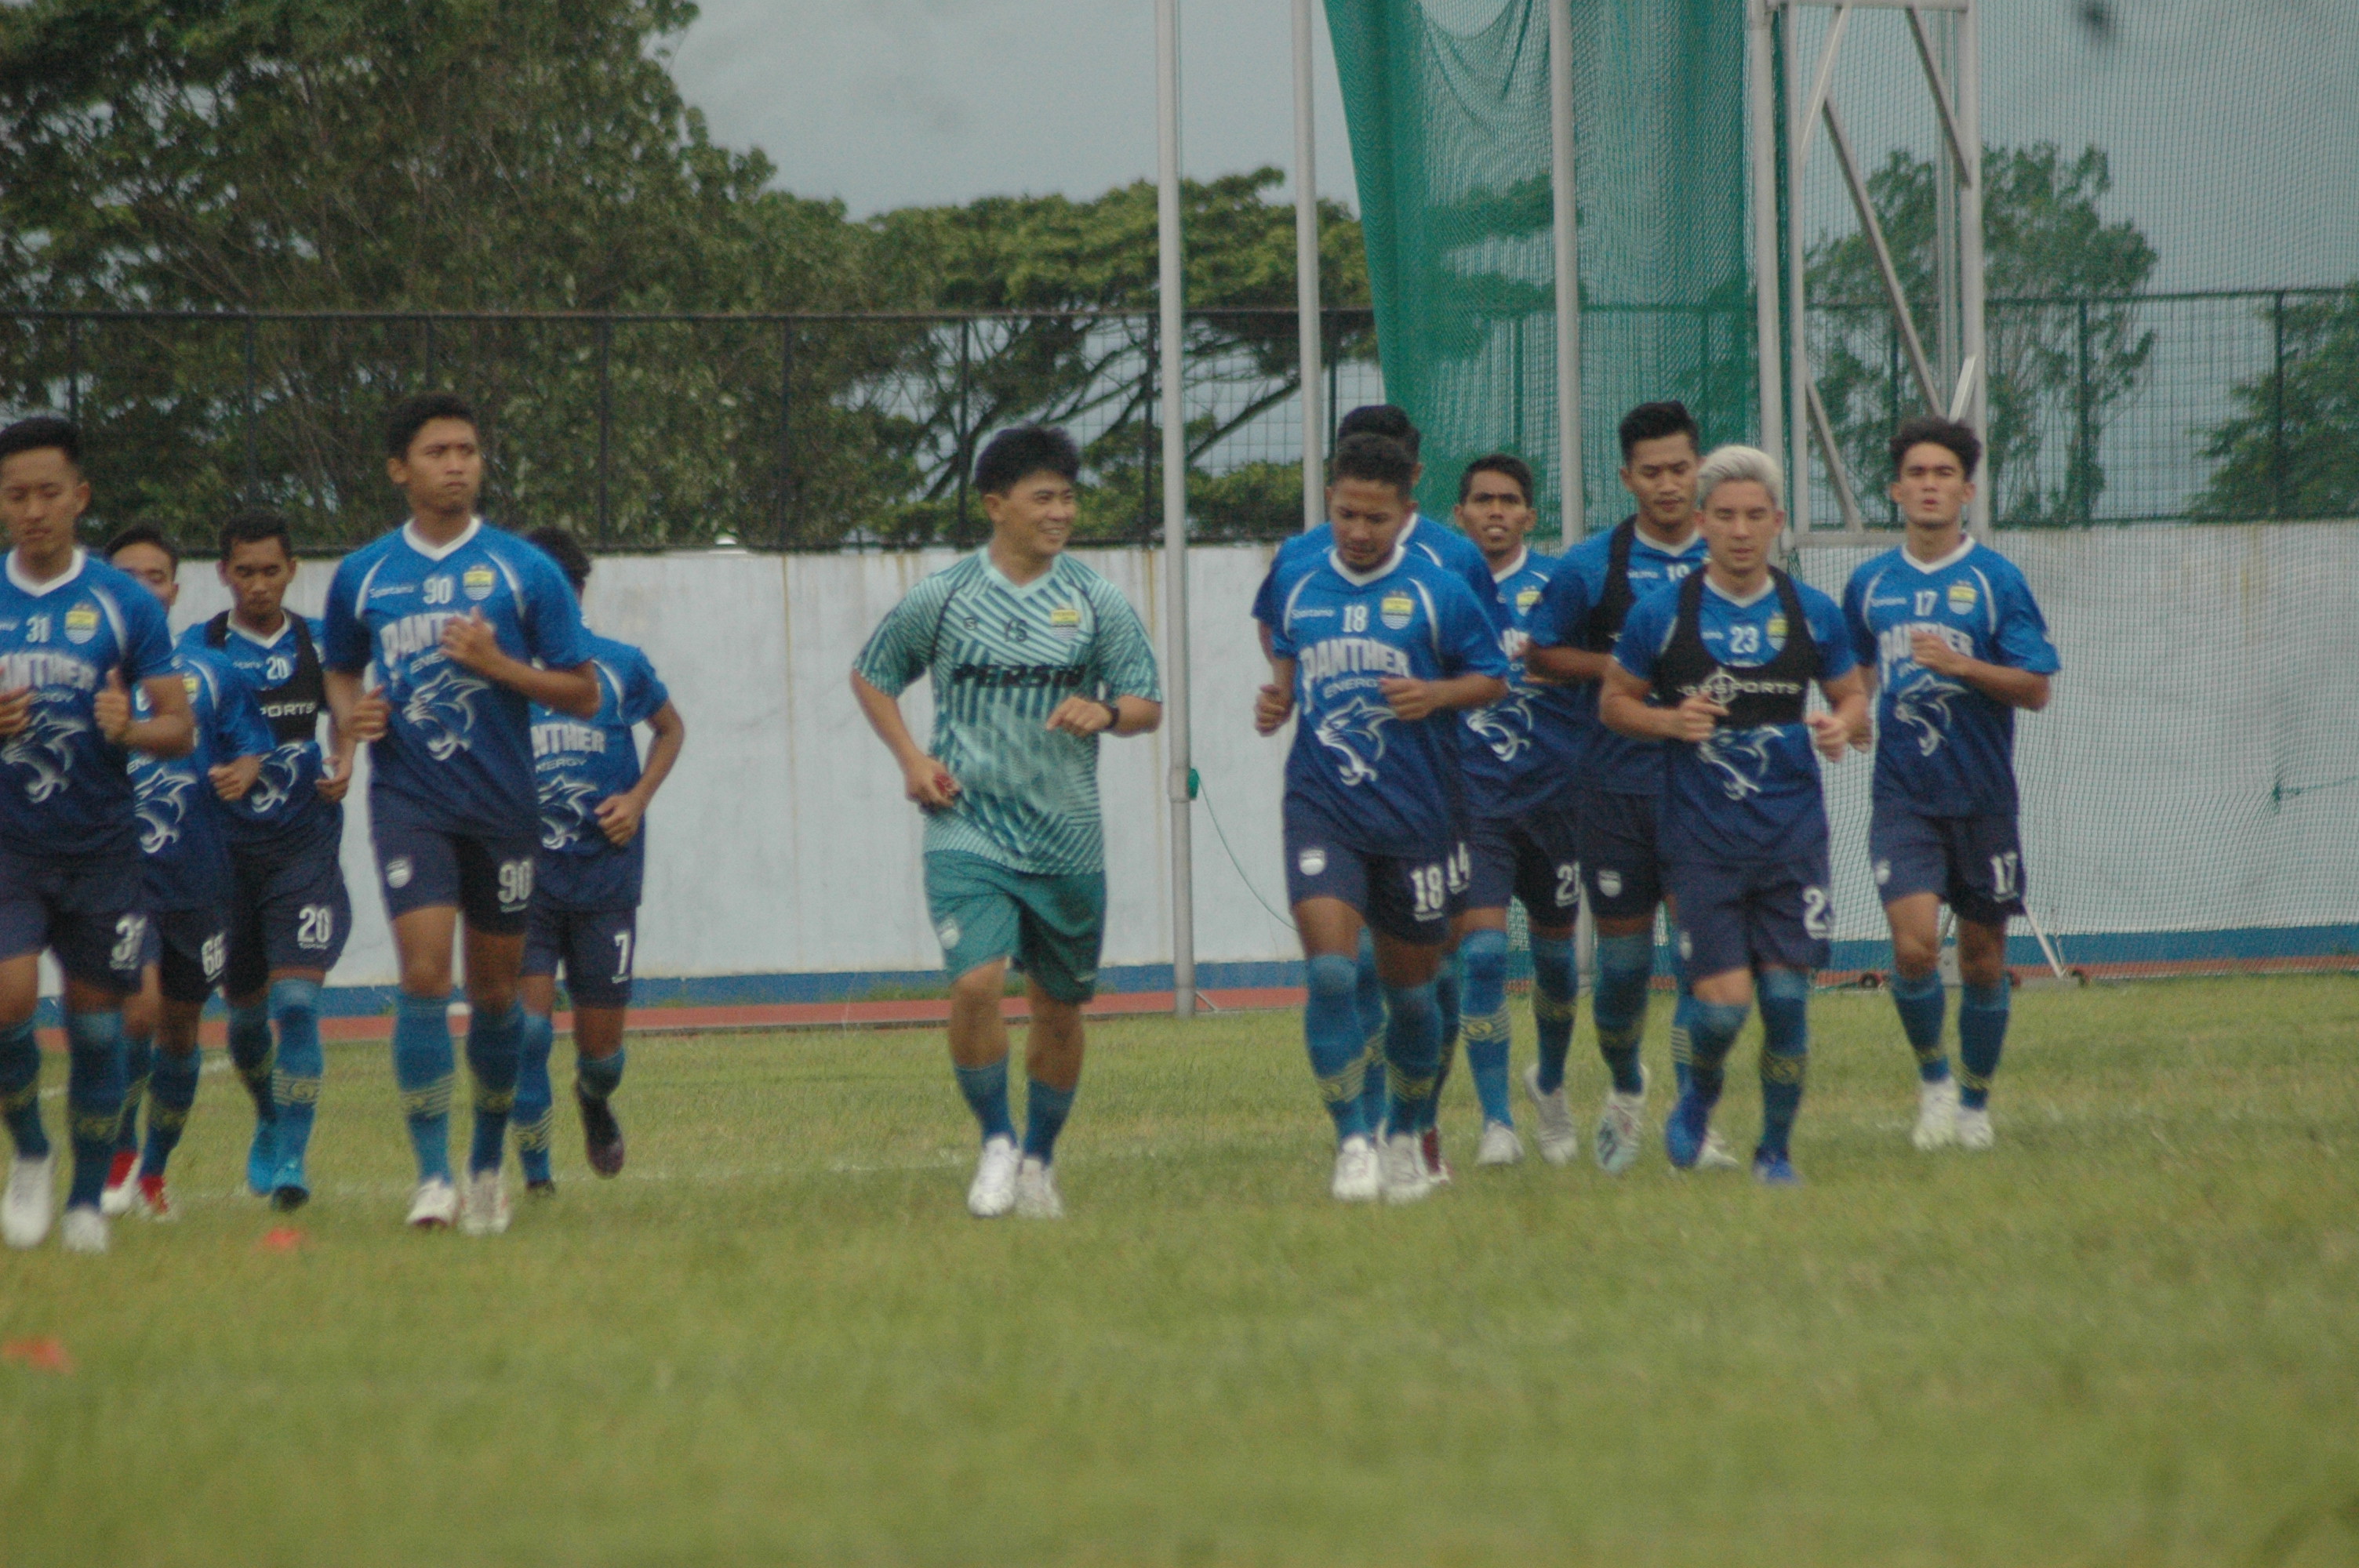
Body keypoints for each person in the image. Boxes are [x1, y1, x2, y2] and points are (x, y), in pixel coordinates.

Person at [852, 425, 1161, 1221]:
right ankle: (994, 1138)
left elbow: (1145, 701)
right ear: (996, 505)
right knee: (976, 981)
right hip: (968, 825)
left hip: (1066, 835)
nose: (1061, 511)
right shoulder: (945, 595)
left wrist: (1104, 710)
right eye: (1043, 496)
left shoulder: (1095, 600)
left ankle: (1038, 1161)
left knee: (1059, 1007)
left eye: (1067, 495)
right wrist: (912, 762)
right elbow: (872, 673)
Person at [322, 393, 601, 1234]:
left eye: (468, 450)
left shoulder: (526, 570)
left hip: (504, 807)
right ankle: (432, 1176)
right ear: (399, 469)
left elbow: (582, 690)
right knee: (420, 974)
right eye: (438, 450)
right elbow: (339, 666)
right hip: (410, 801)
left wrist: (497, 664)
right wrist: (351, 715)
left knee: (493, 995)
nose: (456, 463)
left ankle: (486, 1164)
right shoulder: (363, 572)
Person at [1599, 445, 1865, 1185]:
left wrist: (1843, 722)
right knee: (1721, 1011)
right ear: (1702, 523)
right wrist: (1668, 722)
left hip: (1791, 840)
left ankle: (1775, 1152)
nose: (1741, 531)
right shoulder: (1662, 614)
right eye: (1725, 517)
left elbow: (1850, 694)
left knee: (1785, 1002)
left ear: (1778, 523)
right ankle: (1699, 1098)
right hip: (1702, 844)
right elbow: (1613, 703)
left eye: (1755, 516)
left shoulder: (1811, 611)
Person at [1255, 431, 1508, 1203]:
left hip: (1419, 811)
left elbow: (1493, 676)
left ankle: (1405, 1132)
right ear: (1330, 501)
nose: (1358, 532)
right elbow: (1283, 647)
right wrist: (1279, 693)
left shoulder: (1440, 587)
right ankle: (1351, 1143)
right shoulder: (1297, 573)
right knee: (1332, 970)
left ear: (1406, 512)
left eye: (1374, 517)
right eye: (1344, 514)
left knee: (1410, 995)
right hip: (1323, 802)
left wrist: (1435, 695)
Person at [0, 416, 194, 1254]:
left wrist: (129, 726)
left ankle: (84, 1199)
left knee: (97, 1025)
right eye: (16, 495)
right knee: (6, 1000)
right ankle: (32, 1154)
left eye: (49, 492)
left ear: (80, 496)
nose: (34, 509)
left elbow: (179, 727)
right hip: (10, 842)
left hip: (103, 849)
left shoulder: (121, 601)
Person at [1842, 416, 2057, 1150]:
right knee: (1910, 949)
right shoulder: (1869, 584)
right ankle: (1933, 1082)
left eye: (1944, 475)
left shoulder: (1996, 580)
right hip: (1904, 797)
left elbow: (2035, 688)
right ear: (1896, 489)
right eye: (1917, 474)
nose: (1929, 486)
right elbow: (1857, 673)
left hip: (1984, 798)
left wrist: (1965, 666)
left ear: (1965, 490)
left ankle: (1974, 1102)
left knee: (1983, 959)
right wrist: (1849, 717)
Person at [1524, 401, 1726, 1172]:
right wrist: (1621, 672)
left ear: (1697, 467)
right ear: (1625, 477)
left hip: (1706, 791)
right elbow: (1538, 652)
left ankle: (1693, 1120)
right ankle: (1623, 1081)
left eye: (1680, 468)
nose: (1668, 484)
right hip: (1611, 789)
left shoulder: (1728, 554)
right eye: (1652, 472)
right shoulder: (1589, 566)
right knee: (1620, 973)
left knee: (1698, 958)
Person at [182, 507, 357, 1210]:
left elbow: (345, 710)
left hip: (302, 849)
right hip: (224, 855)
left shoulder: (316, 645)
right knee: (247, 1017)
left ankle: (291, 1158)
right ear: (224, 574)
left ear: (292, 570)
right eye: (244, 572)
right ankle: (267, 1116)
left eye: (271, 570)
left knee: (296, 1003)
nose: (258, 585)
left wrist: (346, 759)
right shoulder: (197, 649)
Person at [96, 525, 272, 1221]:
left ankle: (154, 1174)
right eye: (128, 576)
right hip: (115, 877)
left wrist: (244, 771)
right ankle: (115, 1159)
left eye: (156, 576)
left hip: (199, 878)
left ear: (175, 588)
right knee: (133, 1015)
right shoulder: (77, 670)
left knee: (178, 1032)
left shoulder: (212, 671)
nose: (143, 588)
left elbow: (252, 743)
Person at [510, 526, 685, 1192]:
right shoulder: (504, 676)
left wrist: (638, 798)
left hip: (605, 876)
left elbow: (671, 729)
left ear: (576, 593)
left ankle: (593, 1098)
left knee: (603, 1054)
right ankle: (536, 1177)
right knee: (527, 1034)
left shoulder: (619, 665)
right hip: (525, 880)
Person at [1445, 452, 1578, 1167]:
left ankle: (1549, 1089)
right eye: (1482, 500)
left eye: (1509, 502)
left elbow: (1594, 672)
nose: (1495, 512)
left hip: (1555, 797)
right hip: (1475, 801)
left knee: (1557, 962)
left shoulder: (1560, 585)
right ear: (1459, 513)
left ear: (1530, 515)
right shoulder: (1439, 585)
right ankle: (1497, 1121)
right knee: (1486, 952)